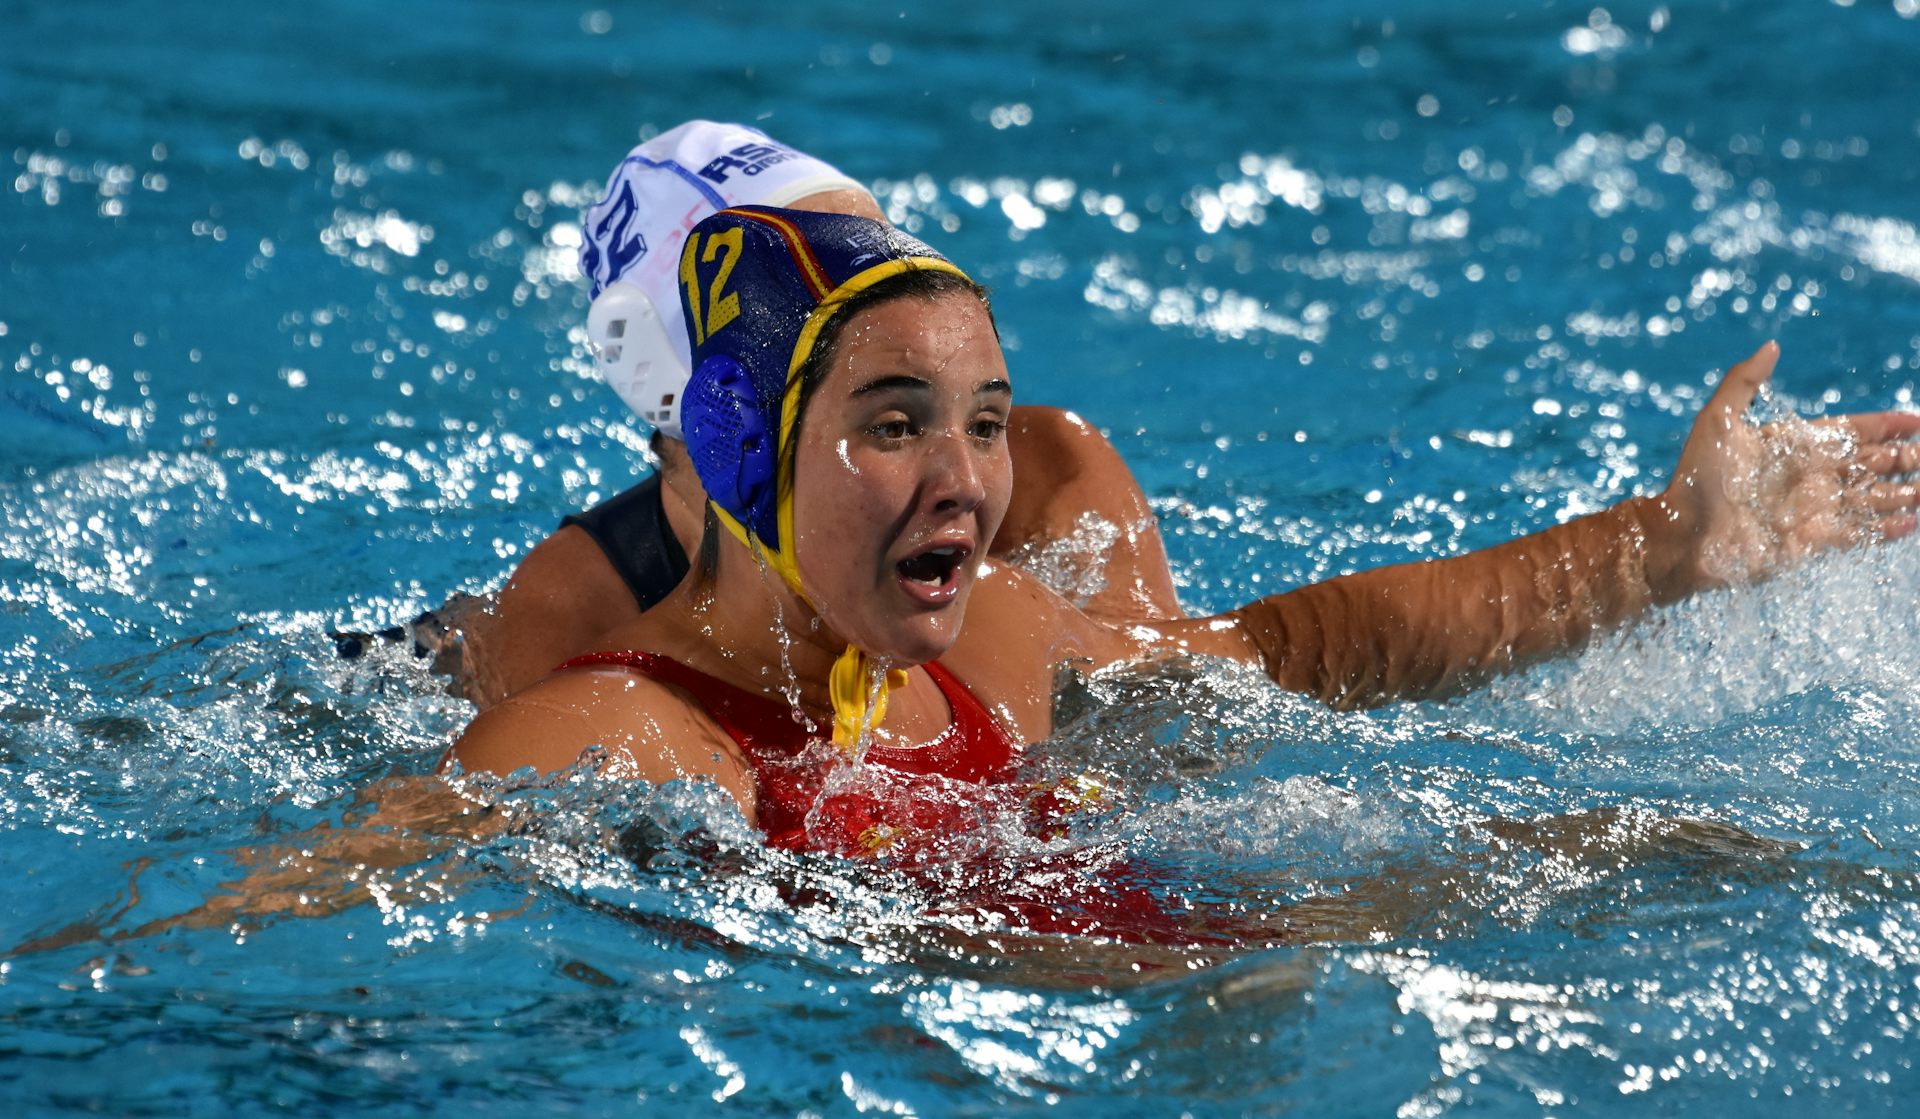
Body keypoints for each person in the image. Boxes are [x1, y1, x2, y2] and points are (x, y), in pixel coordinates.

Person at [444, 203, 1920, 881]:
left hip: (1166, 989)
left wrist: (1661, 544)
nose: (969, 476)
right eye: (896, 421)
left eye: (982, 420)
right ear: (716, 443)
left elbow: (1296, 654)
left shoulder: (1004, 630)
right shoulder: (599, 720)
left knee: (1672, 852)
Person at [407, 122, 1181, 710]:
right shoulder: (571, 625)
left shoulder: (1045, 473)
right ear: (676, 375)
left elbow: (1164, 706)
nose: (869, 293)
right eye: (812, 284)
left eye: (871, 251)